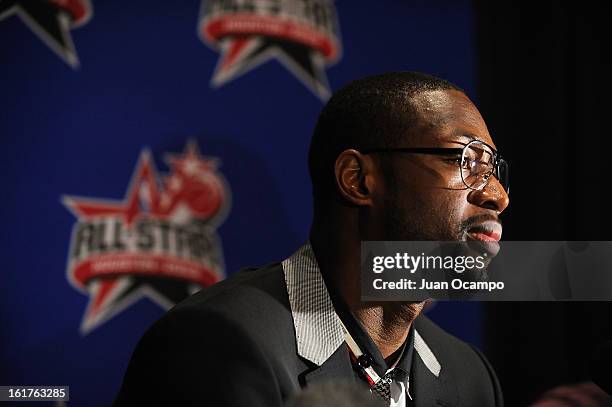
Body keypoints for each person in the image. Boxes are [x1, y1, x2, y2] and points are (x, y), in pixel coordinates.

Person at [113, 72, 510, 407]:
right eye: (467, 160)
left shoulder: (470, 376)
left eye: (494, 169)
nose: (498, 195)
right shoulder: (213, 347)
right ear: (357, 179)